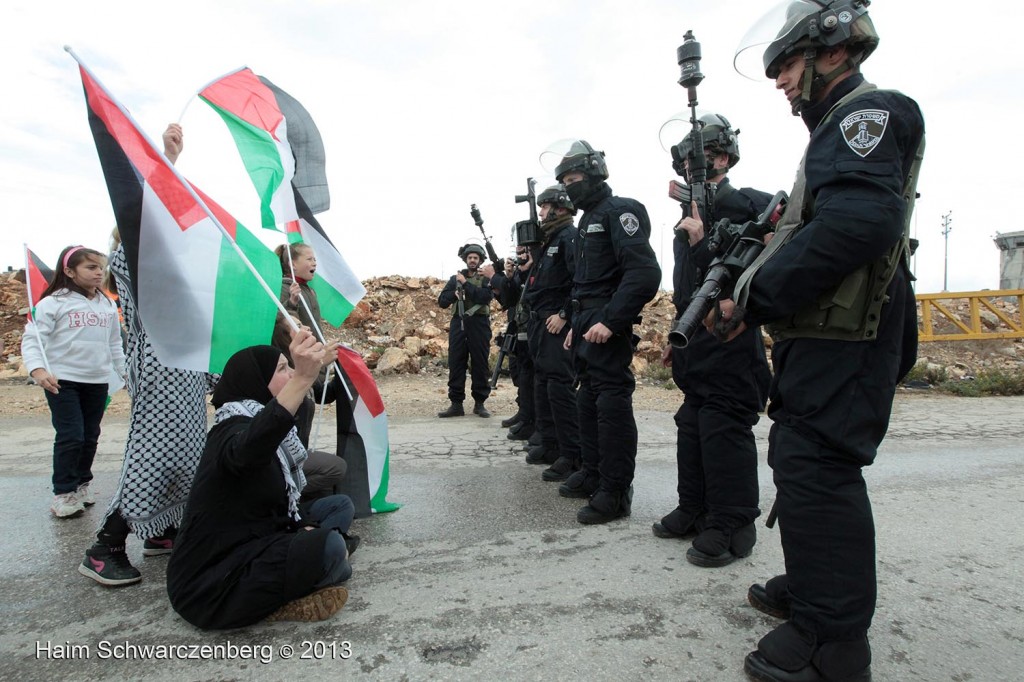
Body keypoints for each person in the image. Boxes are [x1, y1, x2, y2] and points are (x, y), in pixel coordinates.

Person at [725, 2, 926, 679]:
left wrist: (755, 295)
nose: (780, 78)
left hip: (850, 333)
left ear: (832, 52)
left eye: (787, 62)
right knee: (803, 459)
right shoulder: (833, 128)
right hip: (829, 328)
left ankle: (833, 645)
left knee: (819, 466)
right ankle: (816, 590)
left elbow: (860, 225)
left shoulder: (869, 114)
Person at [79, 124, 216, 587]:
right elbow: (145, 215)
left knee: (186, 457)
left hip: (187, 379)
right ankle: (106, 546)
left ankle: (161, 532)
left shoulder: (179, 274)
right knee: (152, 460)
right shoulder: (133, 264)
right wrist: (167, 162)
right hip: (158, 378)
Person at [167, 332, 355, 629]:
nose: (291, 373)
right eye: (283, 369)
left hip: (265, 530)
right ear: (255, 381)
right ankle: (309, 574)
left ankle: (318, 558)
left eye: (289, 367)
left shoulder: (259, 424)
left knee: (339, 505)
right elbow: (249, 450)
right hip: (212, 587)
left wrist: (297, 527)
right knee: (330, 548)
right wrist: (302, 379)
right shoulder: (230, 430)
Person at [652, 114, 773, 568]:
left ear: (722, 157)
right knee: (692, 424)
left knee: (724, 427)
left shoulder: (751, 206)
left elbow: (763, 271)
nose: (688, 168)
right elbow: (687, 287)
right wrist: (673, 334)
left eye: (697, 158)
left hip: (730, 342)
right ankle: (695, 507)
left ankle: (733, 523)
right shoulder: (687, 217)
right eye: (683, 161)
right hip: (694, 343)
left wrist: (705, 242)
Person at [548, 140, 661, 523]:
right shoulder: (584, 222)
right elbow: (582, 284)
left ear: (594, 174)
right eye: (564, 180)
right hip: (584, 326)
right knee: (588, 403)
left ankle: (615, 491)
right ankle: (594, 474)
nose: (569, 185)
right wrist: (574, 324)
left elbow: (644, 273)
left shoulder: (620, 210)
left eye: (574, 177)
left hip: (607, 327)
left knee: (611, 406)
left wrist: (611, 321)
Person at [21, 245, 125, 519]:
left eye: (101, 267)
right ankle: (63, 493)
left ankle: (81, 485)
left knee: (90, 436)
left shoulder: (105, 303)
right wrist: (38, 371)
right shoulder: (52, 303)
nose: (99, 272)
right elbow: (33, 340)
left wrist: (124, 373)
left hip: (97, 381)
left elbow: (115, 343)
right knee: (71, 436)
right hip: (62, 381)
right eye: (91, 267)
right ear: (69, 271)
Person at [522, 184, 581, 482]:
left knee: (560, 388)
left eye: (545, 207)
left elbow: (579, 282)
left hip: (555, 324)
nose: (541, 212)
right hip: (539, 325)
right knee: (543, 385)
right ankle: (550, 444)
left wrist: (564, 315)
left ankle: (571, 455)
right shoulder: (550, 240)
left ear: (560, 208)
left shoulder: (569, 237)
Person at [436, 243, 493, 418]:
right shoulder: (455, 279)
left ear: (480, 260)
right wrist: (454, 294)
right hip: (458, 324)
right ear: (466, 260)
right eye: (470, 258)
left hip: (479, 324)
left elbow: (485, 297)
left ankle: (480, 403)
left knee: (480, 363)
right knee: (456, 362)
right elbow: (442, 301)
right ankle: (456, 404)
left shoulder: (485, 278)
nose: (473, 260)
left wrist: (465, 284)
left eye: (476, 258)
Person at [488, 248, 536, 440]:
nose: (520, 256)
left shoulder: (534, 269)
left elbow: (523, 293)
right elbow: (508, 299)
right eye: (517, 252)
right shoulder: (519, 272)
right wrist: (507, 277)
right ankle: (524, 413)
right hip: (516, 326)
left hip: (530, 328)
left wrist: (495, 277)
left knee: (529, 375)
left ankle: (531, 418)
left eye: (524, 251)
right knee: (518, 373)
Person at [277, 242, 321, 332]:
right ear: (293, 265)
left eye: (314, 259)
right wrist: (291, 303)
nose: (314, 263)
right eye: (309, 259)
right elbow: (279, 322)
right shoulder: (284, 288)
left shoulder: (310, 290)